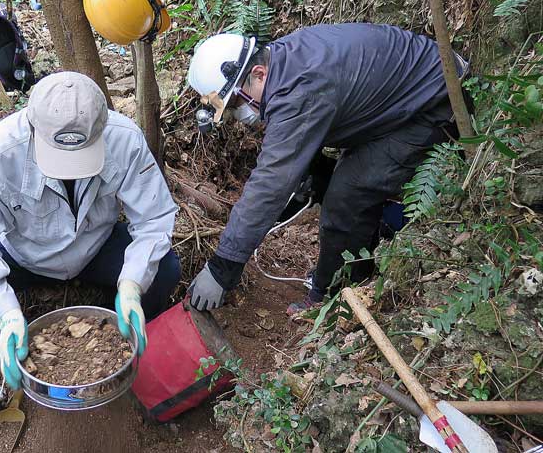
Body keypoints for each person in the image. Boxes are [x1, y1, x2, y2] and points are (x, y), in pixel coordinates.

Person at [0, 71, 179, 453]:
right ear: (32, 128)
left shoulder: (124, 139)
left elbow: (154, 220)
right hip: (23, 253)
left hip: (95, 244)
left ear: (102, 127)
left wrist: (131, 286)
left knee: (165, 270)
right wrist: (8, 314)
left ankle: (128, 359)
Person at [185, 23, 469, 315]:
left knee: (347, 195)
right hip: (411, 93)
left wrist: (224, 266)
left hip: (436, 102)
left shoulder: (299, 89)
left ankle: (334, 293)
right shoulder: (284, 59)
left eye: (235, 103)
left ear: (258, 74)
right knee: (327, 177)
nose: (237, 113)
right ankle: (361, 256)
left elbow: (270, 184)